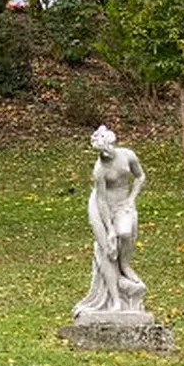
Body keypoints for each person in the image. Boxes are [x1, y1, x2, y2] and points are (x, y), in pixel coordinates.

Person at [75, 124, 147, 318]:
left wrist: (132, 199)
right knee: (107, 248)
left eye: (105, 149)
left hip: (123, 204)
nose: (104, 155)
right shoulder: (100, 169)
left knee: (125, 233)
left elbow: (140, 176)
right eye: (99, 152)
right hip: (102, 208)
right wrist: (109, 229)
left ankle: (125, 265)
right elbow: (101, 200)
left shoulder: (128, 156)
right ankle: (115, 300)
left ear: (112, 143)